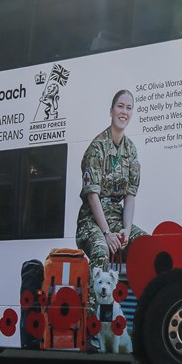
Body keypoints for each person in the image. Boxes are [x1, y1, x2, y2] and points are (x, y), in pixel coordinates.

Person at [75, 90, 146, 272]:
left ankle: (142, 301)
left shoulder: (131, 149)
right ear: (111, 111)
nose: (124, 112)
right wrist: (107, 233)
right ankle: (94, 301)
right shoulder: (97, 147)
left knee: (147, 246)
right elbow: (92, 196)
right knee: (101, 251)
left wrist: (127, 231)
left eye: (129, 108)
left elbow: (130, 195)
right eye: (120, 106)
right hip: (91, 221)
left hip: (117, 218)